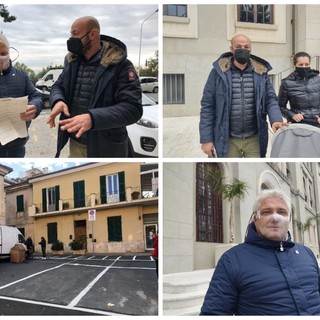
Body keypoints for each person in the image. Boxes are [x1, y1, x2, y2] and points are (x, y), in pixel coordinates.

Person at [200, 189, 320, 315]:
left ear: (289, 219)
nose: (275, 218)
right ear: (255, 219)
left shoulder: (307, 253)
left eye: (282, 212)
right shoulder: (232, 260)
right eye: (267, 212)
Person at [47, 16, 142, 158]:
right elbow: (58, 86)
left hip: (107, 148)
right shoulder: (72, 61)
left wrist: (93, 118)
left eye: (75, 33)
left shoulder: (121, 65)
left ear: (92, 34)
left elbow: (133, 109)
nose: (71, 39)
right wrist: (58, 100)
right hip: (76, 143)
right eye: (71, 34)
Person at [199, 34, 287, 158]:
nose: (243, 49)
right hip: (227, 139)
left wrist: (276, 119)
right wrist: (206, 139)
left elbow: (270, 99)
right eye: (238, 46)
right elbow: (208, 106)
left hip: (254, 139)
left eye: (246, 47)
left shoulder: (261, 73)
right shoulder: (217, 73)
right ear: (231, 49)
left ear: (251, 49)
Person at [0, 33, 42, 157]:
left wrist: (34, 106)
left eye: (3, 53)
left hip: (17, 144)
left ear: (9, 53)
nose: (0, 57)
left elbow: (36, 96)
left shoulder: (22, 75)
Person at [278, 51, 320, 127]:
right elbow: (280, 106)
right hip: (298, 124)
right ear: (295, 65)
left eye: (306, 64)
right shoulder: (286, 83)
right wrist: (292, 115)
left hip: (317, 123)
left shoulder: (318, 79)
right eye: (300, 64)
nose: (304, 67)